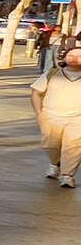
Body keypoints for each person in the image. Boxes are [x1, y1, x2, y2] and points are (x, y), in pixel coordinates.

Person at [32, 39, 81, 188]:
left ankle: (68, 175)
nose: (74, 58)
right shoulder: (52, 74)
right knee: (51, 144)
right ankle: (55, 164)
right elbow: (35, 93)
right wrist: (39, 113)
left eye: (79, 56)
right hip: (50, 116)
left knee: (73, 145)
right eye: (71, 55)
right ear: (64, 57)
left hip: (77, 118)